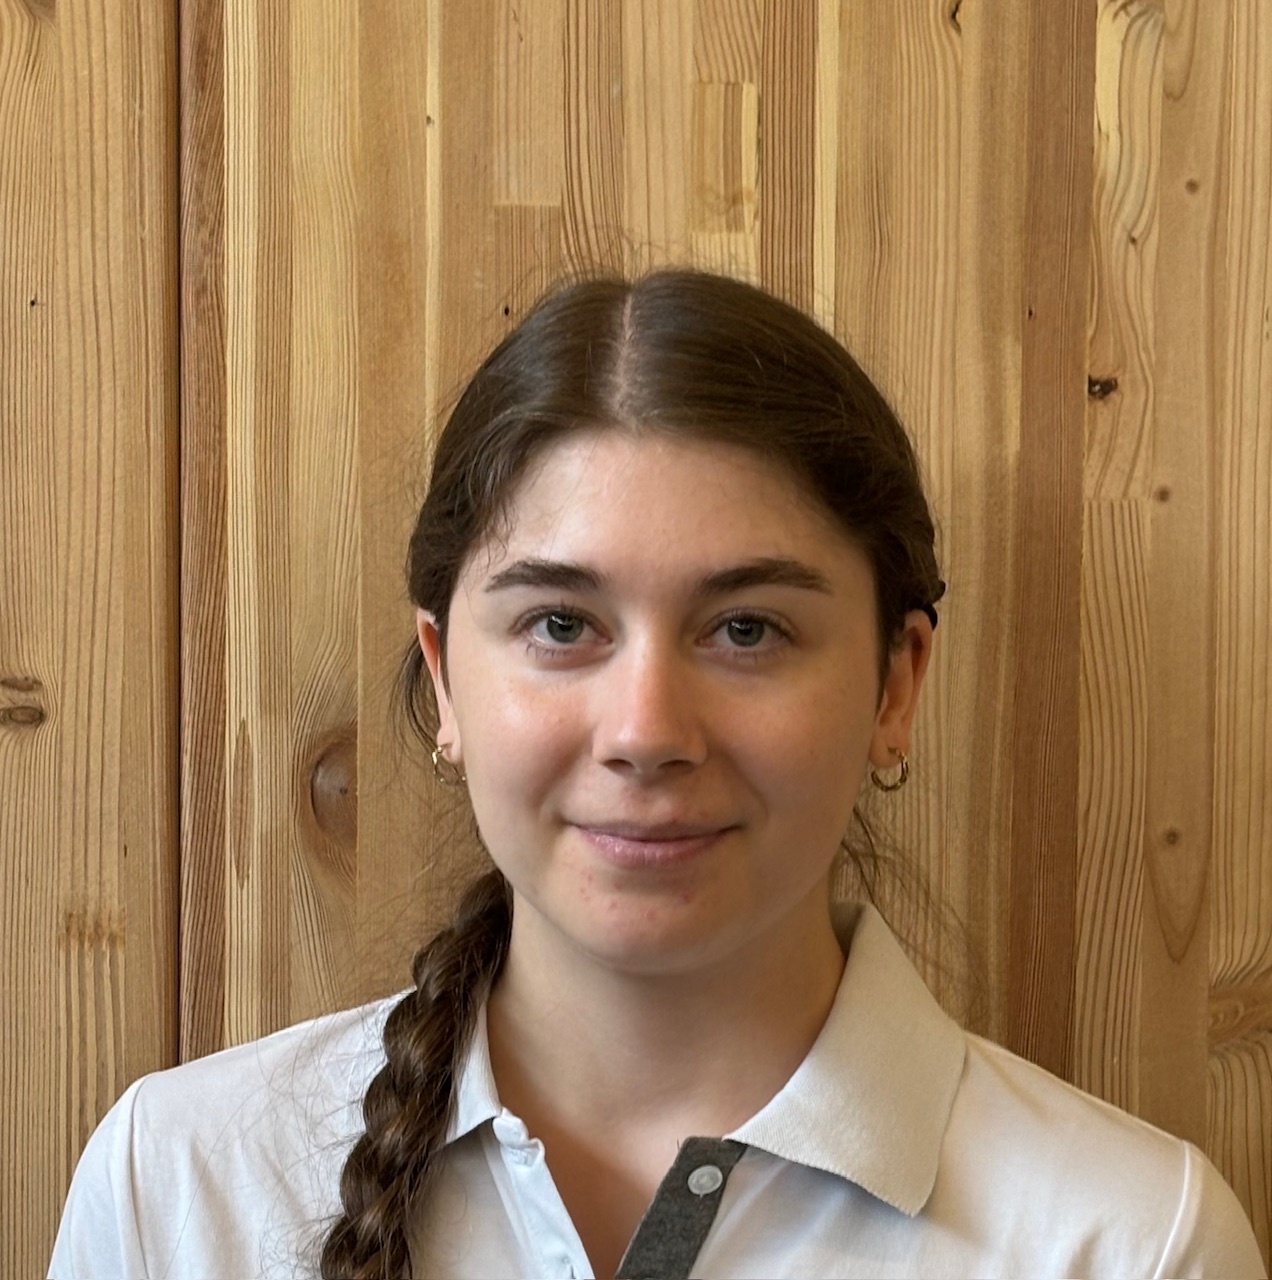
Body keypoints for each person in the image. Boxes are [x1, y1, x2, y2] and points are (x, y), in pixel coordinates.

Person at [50, 271, 1264, 1280]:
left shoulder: (1130, 1242)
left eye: (747, 628)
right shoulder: (180, 1187)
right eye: (560, 624)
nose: (646, 731)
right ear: (447, 678)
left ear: (896, 685)